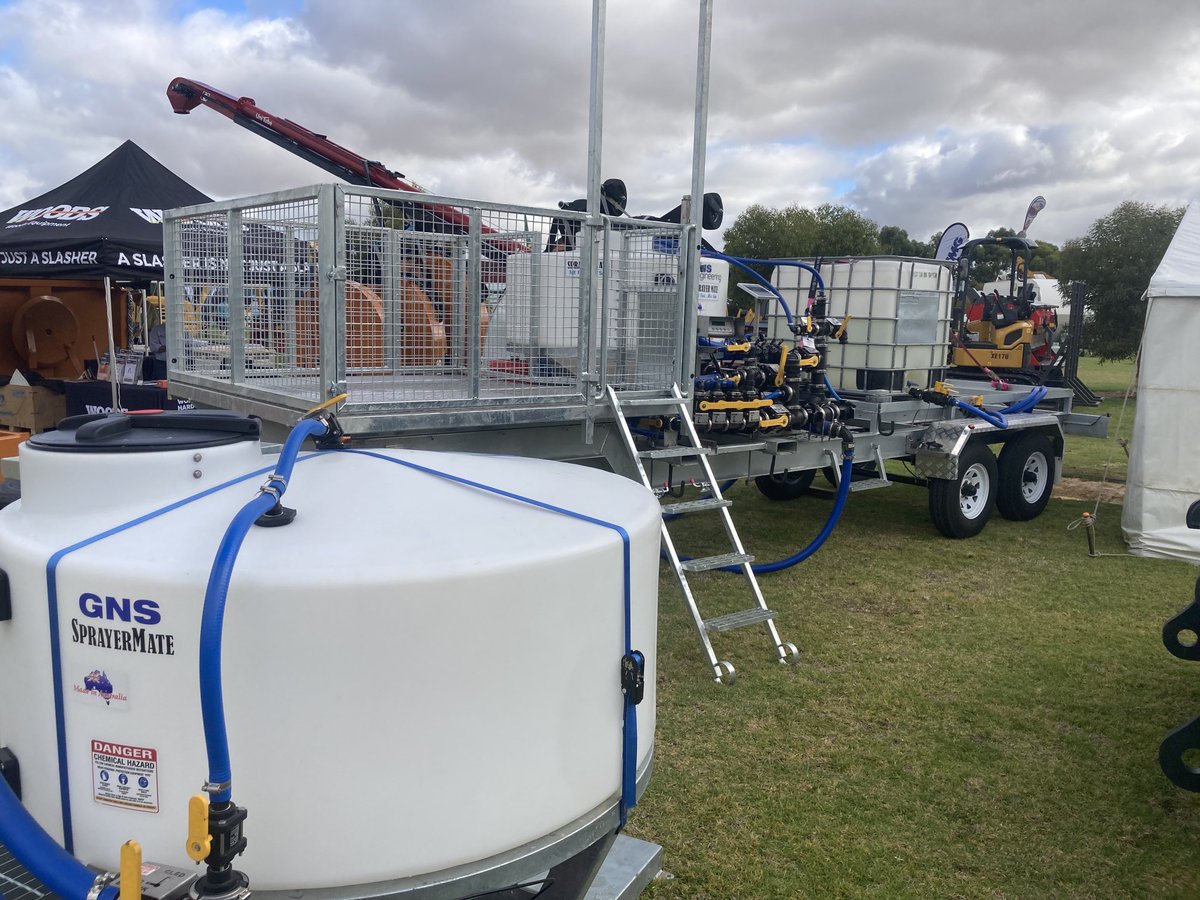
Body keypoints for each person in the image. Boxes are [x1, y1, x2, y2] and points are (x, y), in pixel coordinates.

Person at [148, 315, 168, 380]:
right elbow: (153, 346)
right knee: (162, 385)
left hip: (177, 364)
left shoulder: (180, 330)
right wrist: (170, 347)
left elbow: (190, 342)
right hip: (161, 363)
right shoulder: (156, 329)